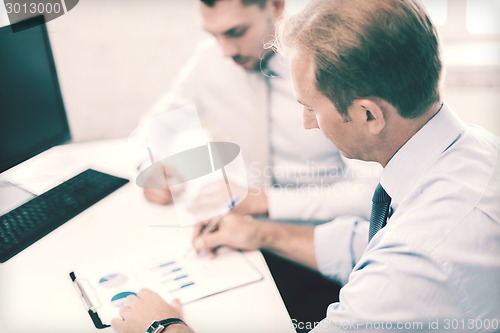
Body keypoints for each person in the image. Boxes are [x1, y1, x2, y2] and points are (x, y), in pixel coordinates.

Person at [113, 0, 500, 332]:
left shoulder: (416, 262)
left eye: (311, 108)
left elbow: (396, 259)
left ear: (368, 115)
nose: (307, 123)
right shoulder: (471, 148)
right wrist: (261, 234)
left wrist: (161, 326)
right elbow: (364, 244)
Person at [129, 0, 378, 326]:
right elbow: (150, 129)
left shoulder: (331, 67)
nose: (225, 51)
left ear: (275, 6)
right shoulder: (208, 63)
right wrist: (152, 169)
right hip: (240, 240)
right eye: (214, 34)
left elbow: (371, 193)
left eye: (236, 32)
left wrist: (264, 200)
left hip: (324, 254)